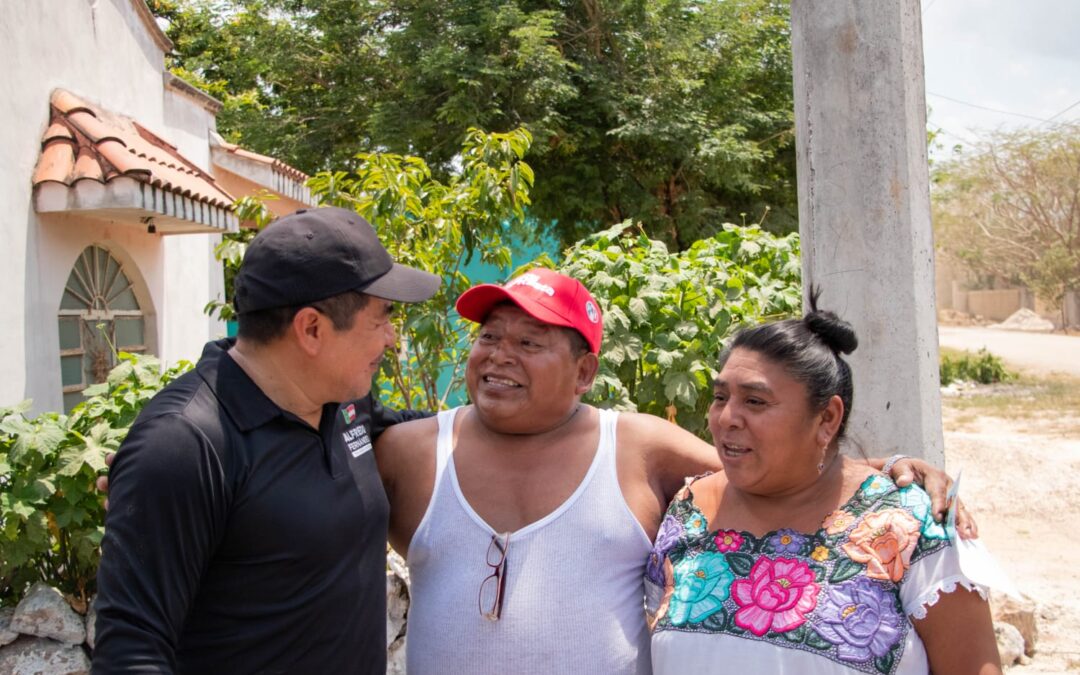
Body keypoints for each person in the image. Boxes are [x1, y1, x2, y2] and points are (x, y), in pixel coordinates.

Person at [374, 268, 969, 674]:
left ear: (584, 373)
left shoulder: (636, 445)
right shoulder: (410, 452)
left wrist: (890, 471)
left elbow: (777, 468)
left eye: (530, 342)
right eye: (489, 336)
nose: (499, 354)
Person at [92, 207, 439, 674]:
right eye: (382, 319)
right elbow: (131, 653)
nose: (392, 339)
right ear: (312, 329)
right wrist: (151, 483)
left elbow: (414, 428)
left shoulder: (343, 405)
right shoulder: (186, 445)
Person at [646, 294, 1001, 674]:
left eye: (755, 401)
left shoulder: (910, 526)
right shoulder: (688, 513)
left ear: (827, 419)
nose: (727, 417)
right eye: (720, 397)